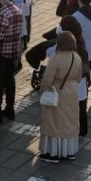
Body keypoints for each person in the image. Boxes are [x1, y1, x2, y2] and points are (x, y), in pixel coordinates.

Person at [37, 31, 82, 163]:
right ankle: (68, 152)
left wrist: (43, 90)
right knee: (69, 122)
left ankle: (53, 154)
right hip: (72, 92)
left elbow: (47, 79)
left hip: (57, 93)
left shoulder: (56, 58)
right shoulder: (77, 57)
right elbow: (79, 77)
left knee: (54, 123)